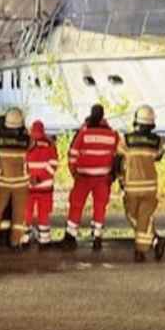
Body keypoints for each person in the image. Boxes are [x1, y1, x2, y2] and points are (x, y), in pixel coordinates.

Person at [61, 104, 119, 251]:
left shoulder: (84, 133)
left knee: (76, 204)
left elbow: (73, 153)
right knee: (100, 206)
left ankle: (71, 236)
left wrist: (73, 172)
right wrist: (112, 175)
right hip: (103, 177)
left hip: (83, 176)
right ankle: (97, 236)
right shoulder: (112, 134)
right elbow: (117, 156)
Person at [117, 105, 165, 262]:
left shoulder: (125, 140)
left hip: (132, 185)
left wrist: (120, 178)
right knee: (144, 217)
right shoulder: (157, 141)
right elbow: (158, 156)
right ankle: (154, 242)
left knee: (133, 215)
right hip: (150, 187)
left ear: (136, 120)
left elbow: (118, 161)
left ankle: (142, 250)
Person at [0, 108, 31, 252]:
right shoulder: (27, 139)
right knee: (19, 213)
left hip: (2, 181)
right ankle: (15, 242)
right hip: (21, 183)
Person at [25, 119, 58, 248]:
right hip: (45, 187)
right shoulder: (50, 143)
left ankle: (25, 238)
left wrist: (30, 178)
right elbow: (53, 165)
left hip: (29, 186)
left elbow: (22, 164)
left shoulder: (27, 143)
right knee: (44, 213)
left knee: (26, 212)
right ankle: (44, 240)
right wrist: (40, 178)